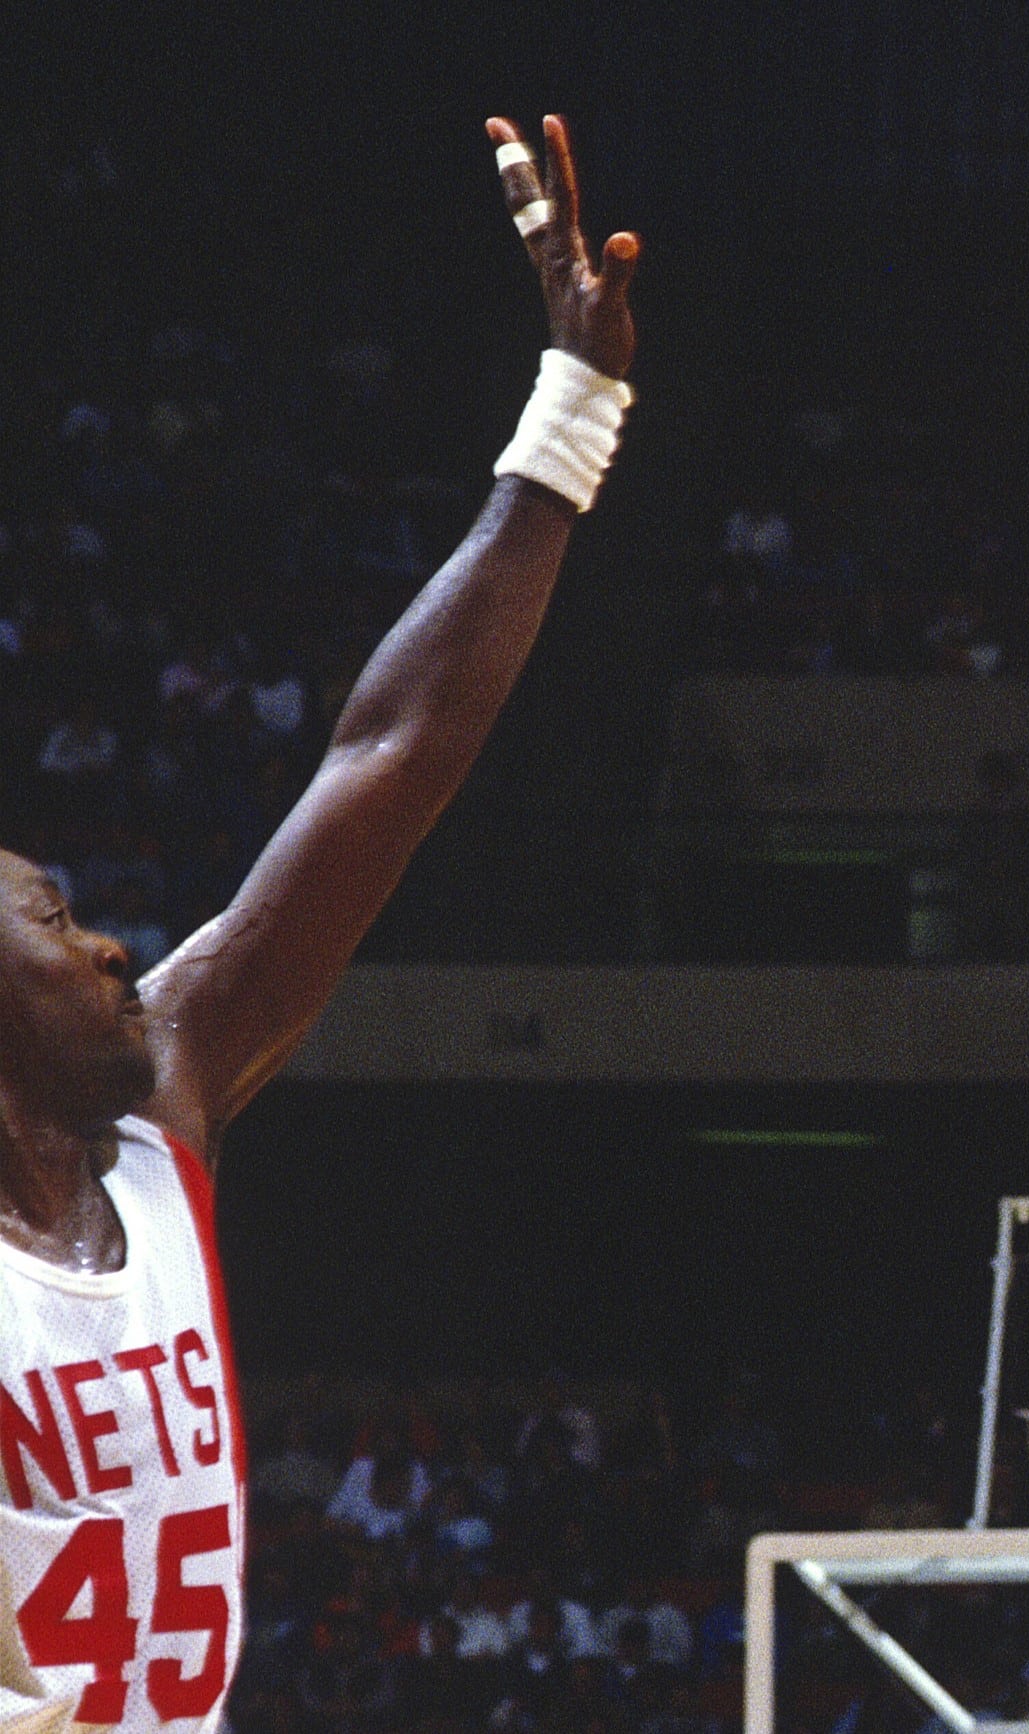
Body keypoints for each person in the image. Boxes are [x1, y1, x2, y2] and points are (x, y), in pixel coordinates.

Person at [0, 113, 638, 1732]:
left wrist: (569, 420)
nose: (108, 947)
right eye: (54, 918)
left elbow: (390, 762)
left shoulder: (163, 1112)